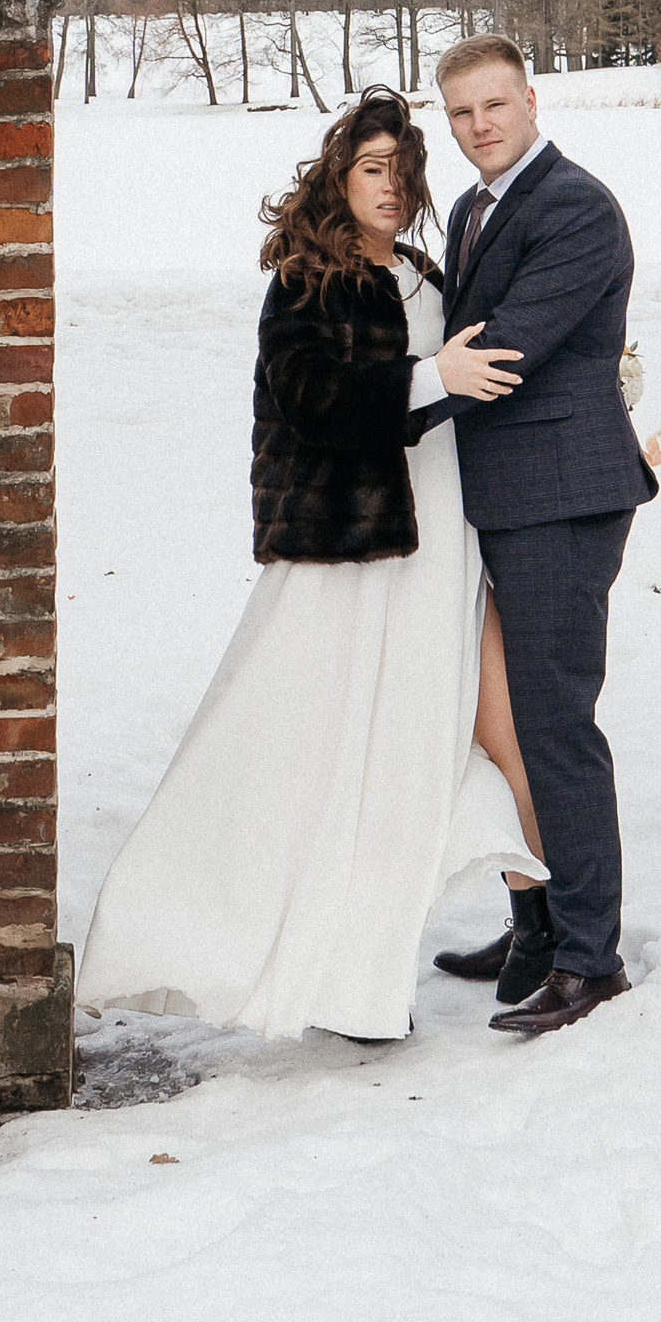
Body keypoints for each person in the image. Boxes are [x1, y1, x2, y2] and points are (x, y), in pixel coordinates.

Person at [76, 88, 543, 1043]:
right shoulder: (307, 280)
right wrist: (426, 379)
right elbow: (309, 402)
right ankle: (196, 935)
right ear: (340, 176)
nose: (392, 186)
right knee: (307, 749)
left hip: (442, 547)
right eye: (374, 167)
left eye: (405, 172)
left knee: (422, 749)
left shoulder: (423, 273)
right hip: (346, 554)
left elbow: (479, 383)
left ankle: (517, 926)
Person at [427, 35, 655, 1039]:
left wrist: (376, 399)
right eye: (461, 114)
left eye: (494, 105)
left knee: (555, 723)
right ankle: (535, 926)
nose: (479, 125)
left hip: (559, 497)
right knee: (500, 723)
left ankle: (589, 959)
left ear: (529, 99)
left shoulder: (571, 206)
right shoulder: (479, 208)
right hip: (501, 496)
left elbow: (504, 350)